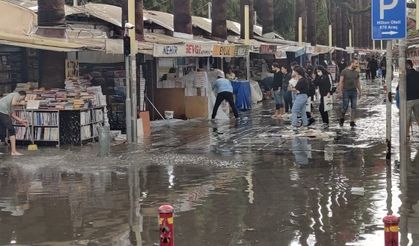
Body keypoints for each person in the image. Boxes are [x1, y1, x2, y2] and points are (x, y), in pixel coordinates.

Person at [0, 91, 28, 156]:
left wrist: (21, 121)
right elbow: (14, 103)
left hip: (2, 112)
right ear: (22, 95)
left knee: (1, 131)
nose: (22, 99)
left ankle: (13, 151)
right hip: (2, 112)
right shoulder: (16, 94)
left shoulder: (10, 101)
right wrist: (22, 103)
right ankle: (13, 151)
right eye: (23, 98)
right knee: (11, 130)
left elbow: (12, 114)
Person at [337, 58, 361, 127]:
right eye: (356, 63)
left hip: (354, 91)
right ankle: (342, 118)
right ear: (352, 63)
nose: (357, 65)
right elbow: (341, 82)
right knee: (345, 106)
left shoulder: (357, 72)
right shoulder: (344, 71)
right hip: (346, 91)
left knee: (354, 106)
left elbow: (358, 82)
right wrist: (340, 91)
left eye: (357, 63)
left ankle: (352, 121)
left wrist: (360, 91)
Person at [291, 66, 309, 131]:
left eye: (295, 72)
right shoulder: (304, 79)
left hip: (300, 96)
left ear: (298, 72)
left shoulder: (301, 80)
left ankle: (294, 125)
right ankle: (305, 124)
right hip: (304, 96)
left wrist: (291, 87)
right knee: (303, 111)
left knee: (294, 110)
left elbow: (295, 89)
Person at [406, 60, 419, 137]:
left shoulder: (405, 75)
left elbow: (399, 88)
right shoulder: (418, 74)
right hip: (418, 99)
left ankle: (407, 134)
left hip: (408, 100)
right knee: (418, 117)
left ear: (407, 66)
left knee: (407, 118)